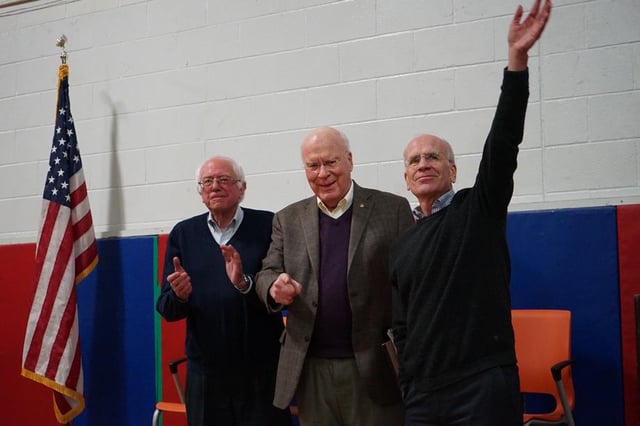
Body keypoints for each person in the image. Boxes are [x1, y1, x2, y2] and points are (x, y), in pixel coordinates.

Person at [389, 1, 552, 425]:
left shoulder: (477, 210)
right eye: (414, 160)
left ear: (452, 170)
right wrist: (409, 378)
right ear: (406, 178)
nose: (423, 163)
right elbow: (400, 322)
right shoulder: (403, 242)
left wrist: (515, 64)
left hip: (482, 385)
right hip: (423, 395)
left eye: (433, 157)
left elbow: (503, 144)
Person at [254, 126, 414, 426]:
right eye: (313, 165)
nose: (322, 173)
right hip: (309, 366)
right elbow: (267, 272)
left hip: (374, 365)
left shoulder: (392, 209)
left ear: (350, 160)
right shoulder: (287, 218)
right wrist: (274, 287)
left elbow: (412, 283)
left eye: (331, 162)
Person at [156, 156, 290, 426]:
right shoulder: (183, 234)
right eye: (207, 181)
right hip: (206, 375)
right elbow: (166, 308)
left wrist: (243, 283)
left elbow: (277, 292)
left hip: (262, 372)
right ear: (200, 192)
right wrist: (180, 296)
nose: (215, 186)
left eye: (224, 180)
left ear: (242, 188)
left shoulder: (269, 225)